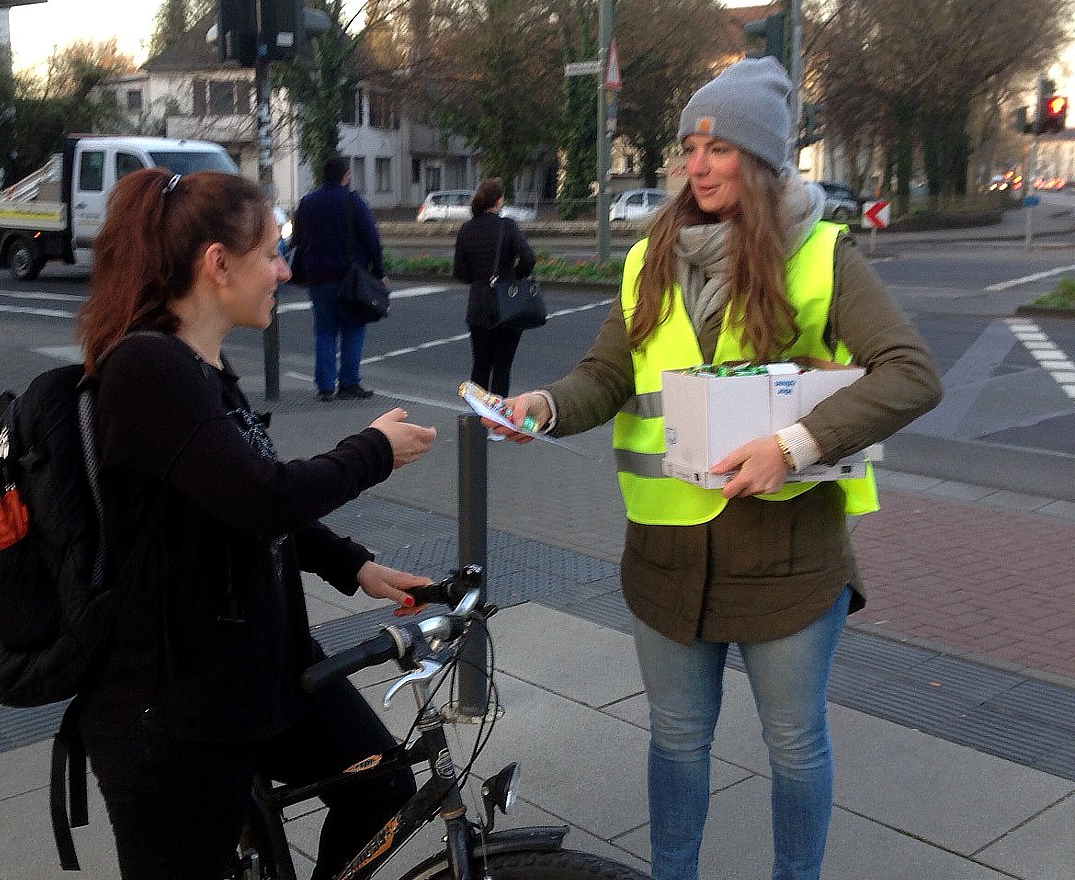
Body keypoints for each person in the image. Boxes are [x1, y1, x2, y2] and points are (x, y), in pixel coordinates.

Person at [487, 57, 942, 880]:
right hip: (666, 557)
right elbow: (607, 375)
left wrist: (793, 445)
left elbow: (911, 373)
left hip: (788, 558)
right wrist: (545, 407)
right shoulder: (649, 258)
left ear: (761, 160)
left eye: (719, 148)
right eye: (688, 148)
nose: (697, 166)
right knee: (676, 740)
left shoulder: (822, 256)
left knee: (794, 744)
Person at [74, 167, 437, 880]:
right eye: (272, 253)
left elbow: (238, 500)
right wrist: (372, 451)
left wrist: (354, 565)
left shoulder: (202, 368)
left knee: (383, 787)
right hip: (172, 711)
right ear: (218, 264)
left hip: (259, 675)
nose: (284, 271)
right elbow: (262, 497)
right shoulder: (146, 368)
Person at [290, 156, 388, 402]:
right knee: (353, 329)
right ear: (345, 176)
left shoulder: (307, 203)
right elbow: (371, 238)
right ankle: (348, 383)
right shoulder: (352, 202)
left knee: (324, 330)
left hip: (317, 277)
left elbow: (298, 240)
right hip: (348, 278)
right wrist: (379, 271)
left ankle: (325, 386)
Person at [453, 178, 537, 396]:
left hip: (478, 307)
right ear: (499, 201)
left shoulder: (466, 230)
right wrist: (512, 277)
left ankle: (477, 414)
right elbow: (528, 258)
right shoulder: (507, 226)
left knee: (480, 365)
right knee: (502, 367)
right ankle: (498, 415)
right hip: (506, 305)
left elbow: (459, 272)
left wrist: (479, 280)